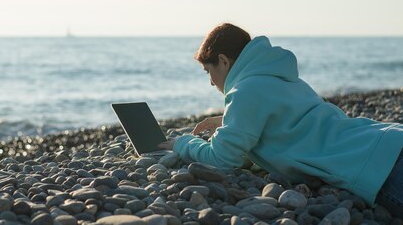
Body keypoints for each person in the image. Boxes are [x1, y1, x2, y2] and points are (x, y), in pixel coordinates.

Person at [158, 23, 403, 216]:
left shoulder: (245, 91)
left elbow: (222, 159)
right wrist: (230, 120)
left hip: (378, 167)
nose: (211, 82)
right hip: (384, 139)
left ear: (223, 61)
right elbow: (287, 122)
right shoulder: (281, 78)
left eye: (208, 72)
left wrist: (183, 144)